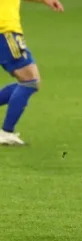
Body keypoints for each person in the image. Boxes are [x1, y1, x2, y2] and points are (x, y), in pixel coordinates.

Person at [0, 0, 64, 145]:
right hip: (5, 32)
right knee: (30, 82)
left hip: (6, 32)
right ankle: (6, 132)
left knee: (29, 82)